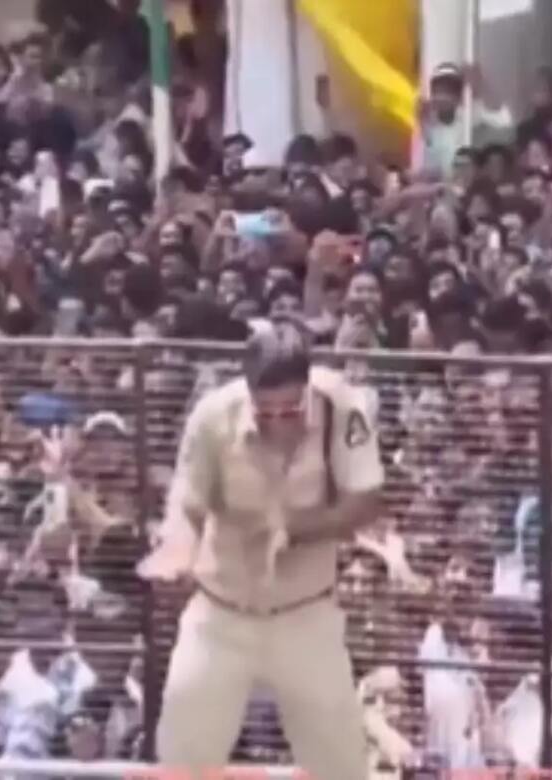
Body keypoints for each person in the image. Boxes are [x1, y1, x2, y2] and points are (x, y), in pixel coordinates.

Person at [138, 316, 383, 779]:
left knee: (341, 767)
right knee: (180, 761)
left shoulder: (341, 408)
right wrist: (178, 546)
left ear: (306, 388)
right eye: (265, 411)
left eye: (289, 411)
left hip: (306, 614)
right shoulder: (213, 416)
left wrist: (291, 530)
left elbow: (365, 501)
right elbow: (187, 501)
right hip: (221, 613)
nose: (277, 422)